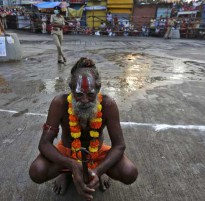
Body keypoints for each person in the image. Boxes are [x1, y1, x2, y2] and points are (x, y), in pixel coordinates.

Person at [29, 57, 138, 201]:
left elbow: (119, 145)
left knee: (129, 172)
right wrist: (72, 165)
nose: (85, 100)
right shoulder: (59, 104)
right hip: (68, 153)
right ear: (71, 88)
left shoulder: (108, 105)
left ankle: (98, 169)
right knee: (37, 171)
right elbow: (44, 144)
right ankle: (67, 174)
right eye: (79, 94)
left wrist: (98, 171)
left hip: (96, 153)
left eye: (91, 94)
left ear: (98, 89)